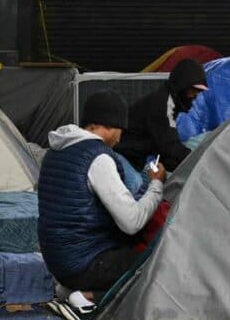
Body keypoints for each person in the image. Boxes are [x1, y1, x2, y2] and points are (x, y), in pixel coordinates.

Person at [38, 91, 167, 307]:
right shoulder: (98, 158)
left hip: (58, 261)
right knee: (157, 261)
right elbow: (131, 223)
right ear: (108, 124)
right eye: (120, 130)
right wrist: (156, 184)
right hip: (86, 263)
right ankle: (90, 297)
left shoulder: (54, 152)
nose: (120, 138)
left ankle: (70, 289)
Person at [115, 58, 208, 173]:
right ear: (182, 85)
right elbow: (170, 145)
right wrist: (201, 164)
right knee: (137, 183)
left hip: (133, 158)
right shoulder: (163, 104)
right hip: (124, 157)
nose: (196, 94)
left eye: (199, 91)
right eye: (194, 89)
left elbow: (165, 145)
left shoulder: (168, 100)